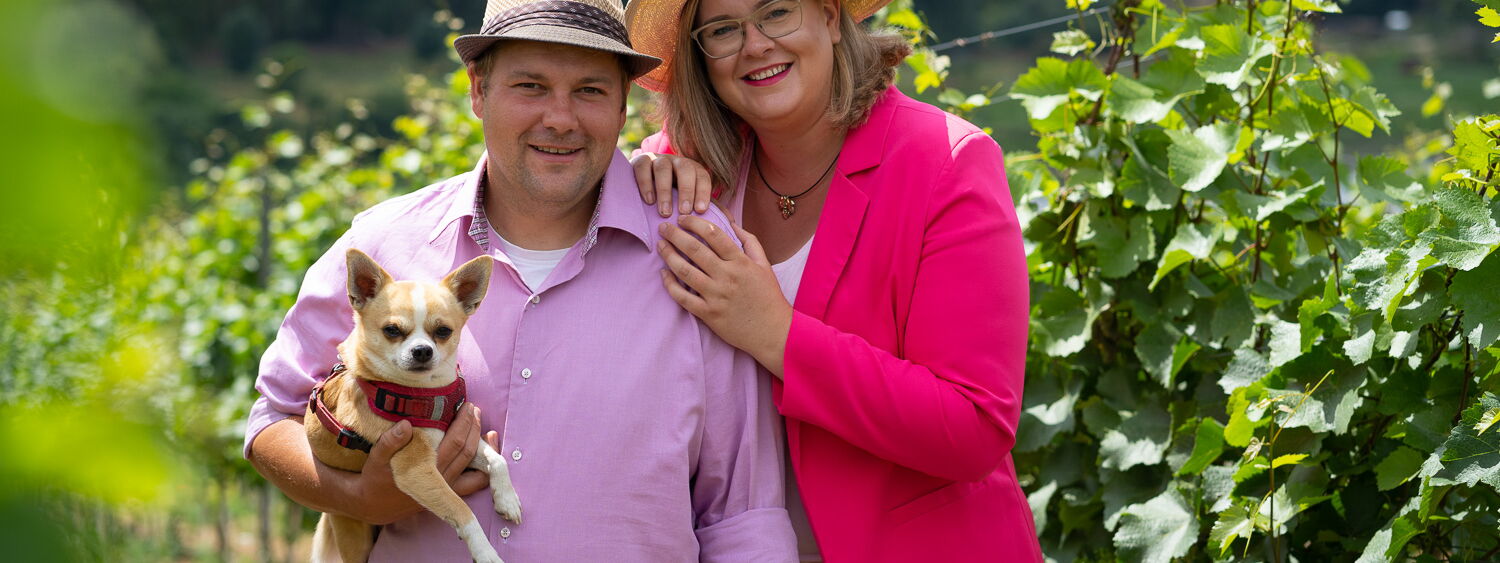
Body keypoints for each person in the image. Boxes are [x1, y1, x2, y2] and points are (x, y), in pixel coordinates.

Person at [243, 0, 797, 560]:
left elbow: (742, 512)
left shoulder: (696, 250)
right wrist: (359, 498)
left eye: (590, 90)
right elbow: (273, 417)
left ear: (622, 106)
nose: (560, 118)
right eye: (531, 86)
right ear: (478, 91)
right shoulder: (386, 240)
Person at [622, 0, 1042, 560]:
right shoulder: (697, 172)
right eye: (722, 29)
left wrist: (777, 335)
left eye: (776, 12)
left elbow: (973, 429)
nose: (755, 45)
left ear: (828, 15)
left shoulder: (946, 161)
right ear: (702, 59)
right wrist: (644, 168)